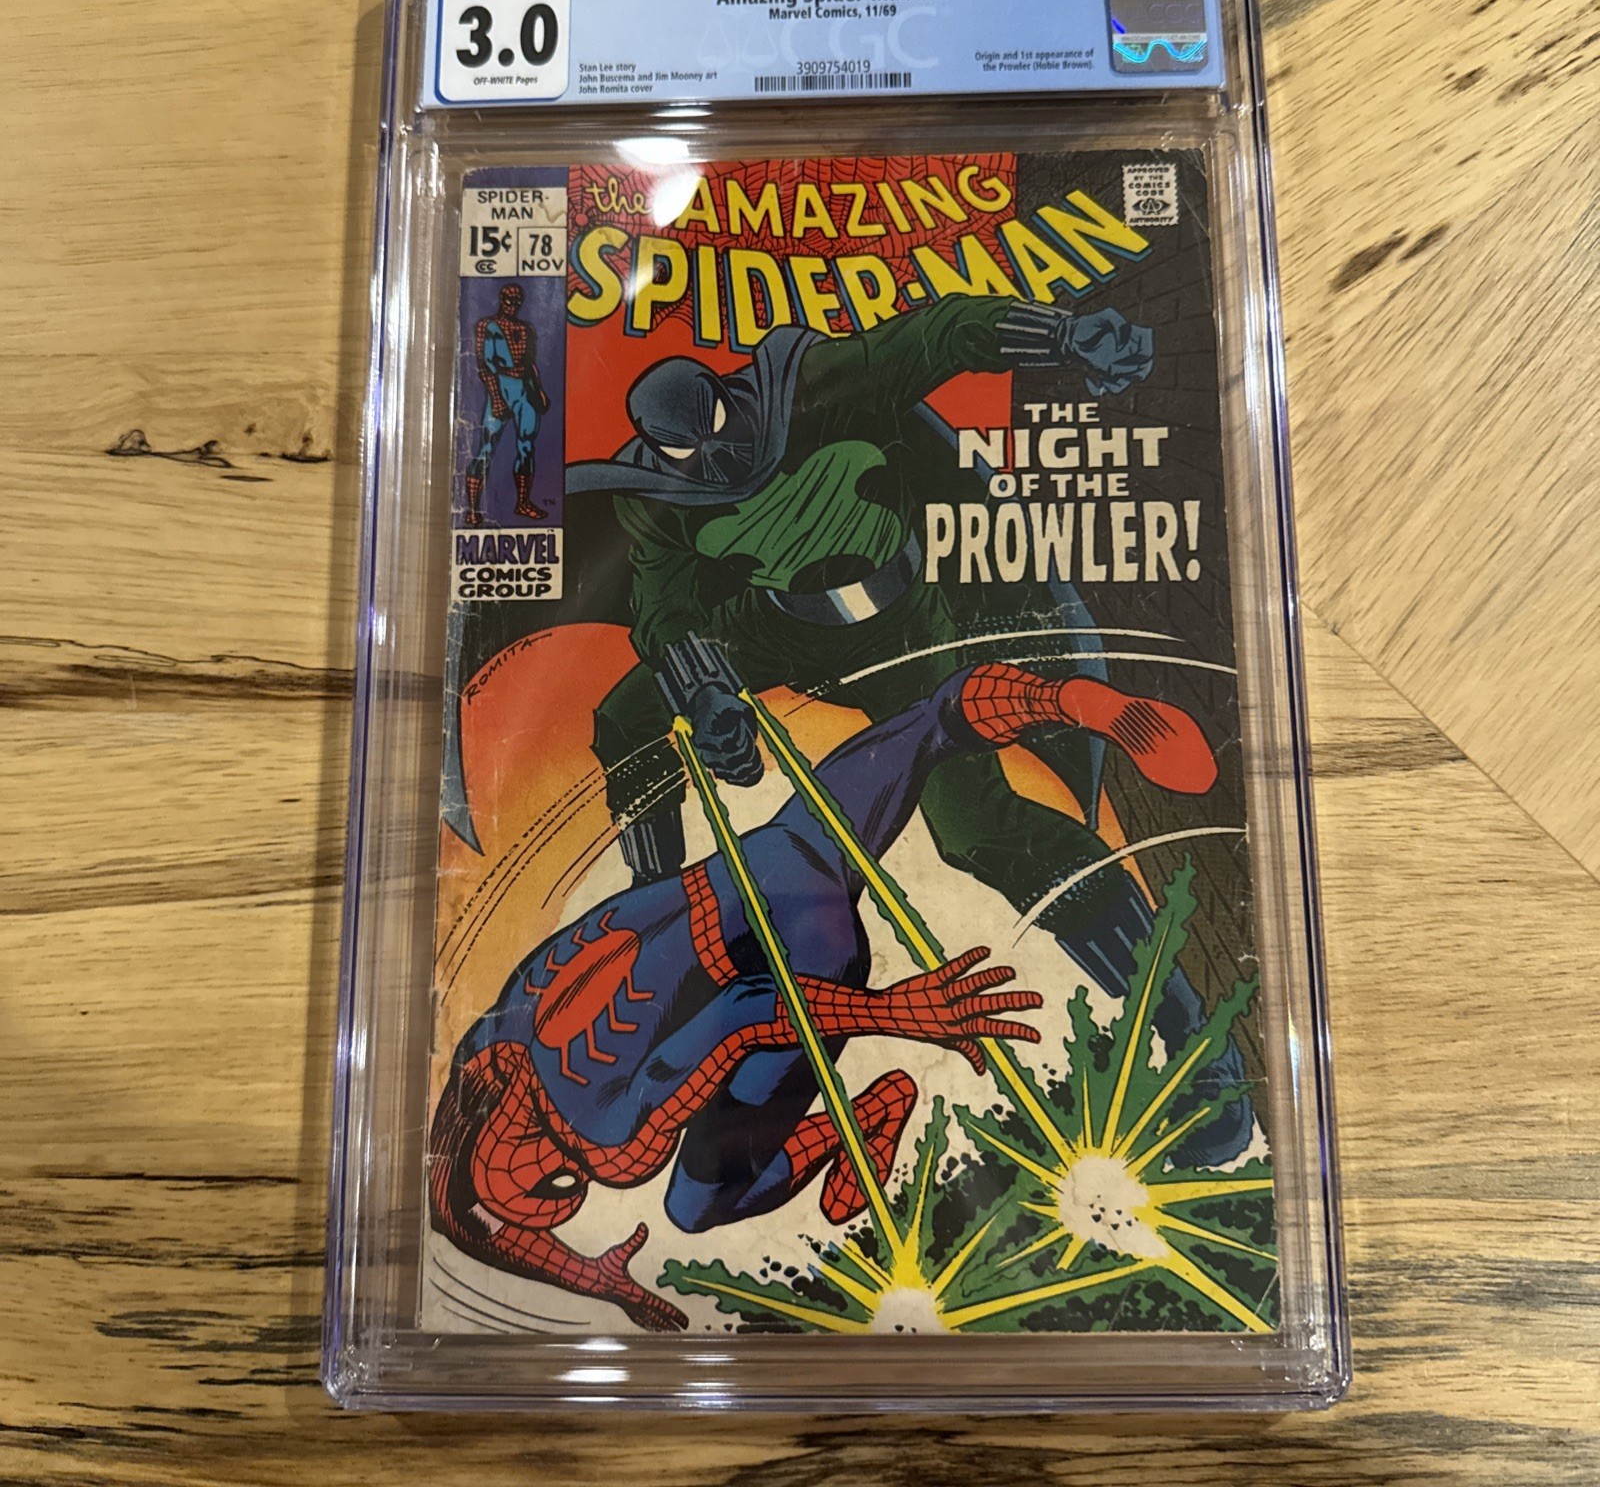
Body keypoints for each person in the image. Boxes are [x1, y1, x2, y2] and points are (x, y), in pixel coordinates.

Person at [429, 660, 1216, 1329]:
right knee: (931, 725)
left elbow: (746, 1017)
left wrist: (898, 1013)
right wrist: (600, 1282)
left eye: (534, 1189)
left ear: (485, 1148)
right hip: (773, 856)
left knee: (692, 1207)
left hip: (804, 957)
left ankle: (862, 1117)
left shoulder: (598, 1134)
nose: (551, 1195)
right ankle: (1063, 699)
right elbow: (475, 1217)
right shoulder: (498, 1035)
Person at [466, 282, 550, 524]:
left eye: (516, 301)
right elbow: (484, 366)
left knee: (527, 447)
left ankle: (523, 502)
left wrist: (539, 391)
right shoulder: (487, 325)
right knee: (486, 447)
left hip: (525, 389)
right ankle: (473, 510)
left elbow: (530, 364)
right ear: (501, 299)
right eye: (508, 300)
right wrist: (496, 396)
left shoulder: (526, 329)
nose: (512, 305)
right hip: (501, 385)